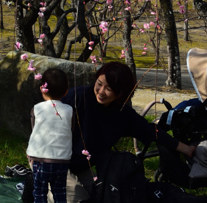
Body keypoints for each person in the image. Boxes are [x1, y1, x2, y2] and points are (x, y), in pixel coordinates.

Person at [61, 62, 196, 202]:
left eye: (108, 88)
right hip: (53, 162)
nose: (101, 91)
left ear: (121, 92)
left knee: (99, 196)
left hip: (81, 167)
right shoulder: (77, 98)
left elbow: (151, 131)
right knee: (78, 200)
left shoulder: (122, 114)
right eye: (99, 84)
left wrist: (186, 149)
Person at [27, 69, 72, 203]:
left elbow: (34, 129)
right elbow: (71, 129)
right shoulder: (70, 110)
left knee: (39, 193)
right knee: (60, 192)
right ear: (66, 92)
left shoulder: (37, 108)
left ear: (42, 88)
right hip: (62, 160)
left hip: (40, 159)